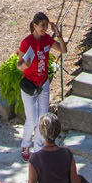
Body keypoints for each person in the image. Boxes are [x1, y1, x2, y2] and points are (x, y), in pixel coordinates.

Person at [18, 12, 66, 161]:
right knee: (32, 120)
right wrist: (24, 65)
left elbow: (63, 50)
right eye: (42, 26)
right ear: (34, 25)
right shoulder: (27, 42)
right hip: (30, 86)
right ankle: (26, 144)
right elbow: (19, 65)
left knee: (42, 118)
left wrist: (58, 34)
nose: (44, 28)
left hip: (43, 84)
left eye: (46, 25)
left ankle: (38, 149)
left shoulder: (47, 40)